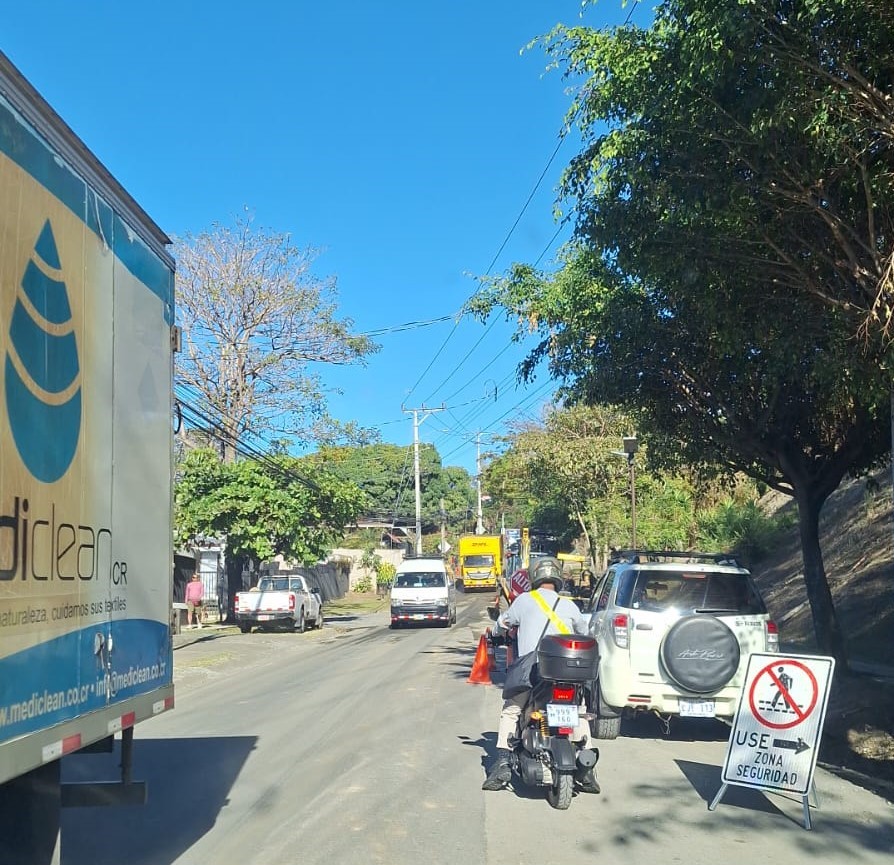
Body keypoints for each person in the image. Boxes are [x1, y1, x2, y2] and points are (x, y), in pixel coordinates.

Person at [482, 556, 600, 794]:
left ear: (534, 577)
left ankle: (503, 761)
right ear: (557, 578)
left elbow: (503, 623)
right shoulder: (569, 605)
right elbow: (585, 633)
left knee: (511, 710)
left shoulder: (525, 600)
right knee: (578, 713)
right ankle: (587, 767)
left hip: (532, 672)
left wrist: (494, 633)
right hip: (568, 675)